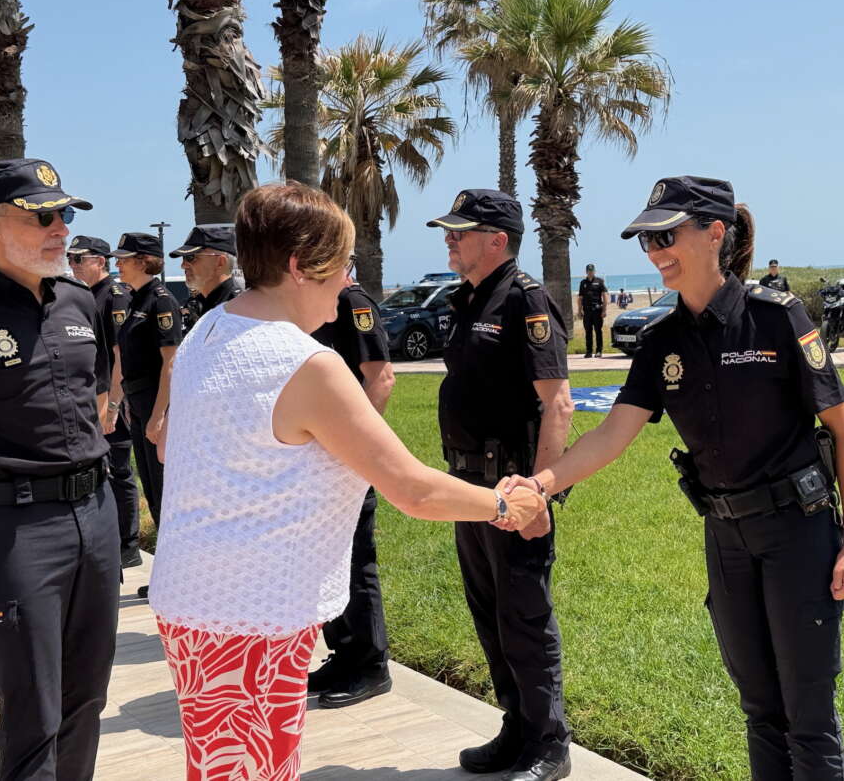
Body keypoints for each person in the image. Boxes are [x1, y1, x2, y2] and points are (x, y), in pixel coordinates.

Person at [147, 181, 547, 781]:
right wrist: (506, 504)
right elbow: (413, 489)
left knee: (222, 765)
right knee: (253, 770)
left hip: (194, 601)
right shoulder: (306, 364)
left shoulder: (208, 330)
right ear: (298, 266)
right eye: (341, 265)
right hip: (250, 614)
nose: (347, 280)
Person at [506, 176, 844, 781]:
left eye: (667, 235)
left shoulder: (777, 319)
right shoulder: (660, 341)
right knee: (759, 708)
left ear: (715, 233)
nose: (654, 251)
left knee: (807, 712)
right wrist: (542, 483)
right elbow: (610, 434)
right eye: (647, 240)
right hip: (727, 539)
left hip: (798, 535)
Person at [0, 159, 120, 779]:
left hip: (97, 519)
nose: (60, 230)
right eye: (41, 217)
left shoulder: (78, 302)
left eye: (64, 215)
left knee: (86, 699)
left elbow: (92, 397)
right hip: (15, 531)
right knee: (30, 710)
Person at [427, 189, 574, 781]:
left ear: (498, 240)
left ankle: (549, 744)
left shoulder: (525, 299)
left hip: (511, 489)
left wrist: (538, 494)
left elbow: (558, 403)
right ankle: (516, 728)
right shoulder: (468, 298)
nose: (449, 239)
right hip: (468, 485)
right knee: (489, 612)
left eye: (460, 232)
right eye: (449, 231)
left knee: (524, 617)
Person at [308, 280, 397, 707]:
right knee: (327, 560)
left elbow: (380, 378)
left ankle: (371, 665)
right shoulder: (315, 300)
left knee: (357, 560)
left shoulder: (353, 302)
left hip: (346, 455)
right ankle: (343, 653)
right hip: (318, 456)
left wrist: (356, 447)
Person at [111, 232, 182, 599]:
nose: (117, 263)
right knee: (153, 492)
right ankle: (167, 576)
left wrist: (159, 415)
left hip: (156, 402)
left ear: (143, 261)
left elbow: (170, 363)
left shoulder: (161, 301)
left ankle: (179, 578)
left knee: (167, 492)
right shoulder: (135, 299)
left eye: (123, 258)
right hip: (138, 404)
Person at [68, 235, 142, 568]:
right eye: (69, 258)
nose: (72, 264)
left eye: (78, 258)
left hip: (115, 399)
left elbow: (120, 356)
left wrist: (112, 404)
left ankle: (128, 545)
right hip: (93, 396)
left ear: (100, 261)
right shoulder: (84, 296)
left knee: (119, 471)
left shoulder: (115, 297)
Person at [167, 223, 243, 335]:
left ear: (220, 262)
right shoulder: (201, 303)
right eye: (184, 258)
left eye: (191, 257)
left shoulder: (237, 307)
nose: (183, 265)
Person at [577, 262, 608, 357]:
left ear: (594, 271)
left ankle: (599, 351)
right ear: (586, 272)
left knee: (598, 331)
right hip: (587, 311)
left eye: (592, 270)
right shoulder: (583, 283)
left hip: (597, 310)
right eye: (589, 271)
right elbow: (580, 298)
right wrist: (579, 310)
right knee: (588, 331)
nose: (590, 272)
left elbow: (605, 296)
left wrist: (604, 310)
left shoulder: (600, 281)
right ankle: (589, 351)